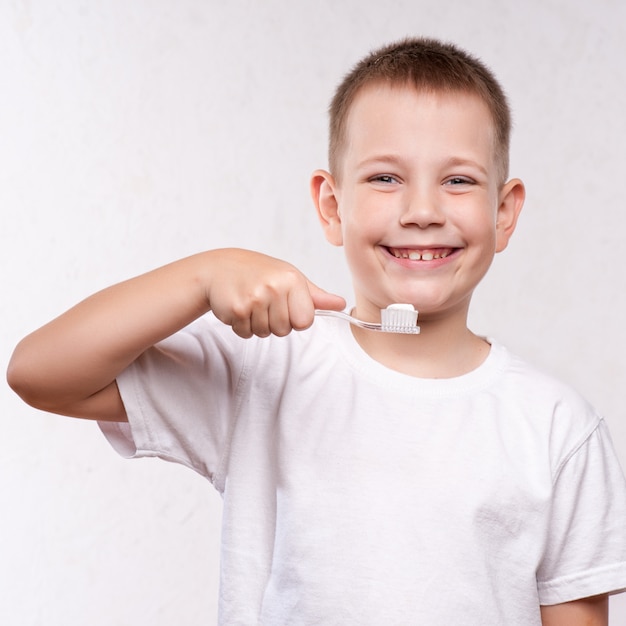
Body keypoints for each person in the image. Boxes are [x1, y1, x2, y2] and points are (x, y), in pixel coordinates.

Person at [7, 37, 626, 625]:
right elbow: (40, 373)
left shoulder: (558, 429)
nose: (422, 211)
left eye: (458, 179)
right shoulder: (268, 368)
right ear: (331, 206)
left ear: (504, 211)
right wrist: (202, 274)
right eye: (386, 178)